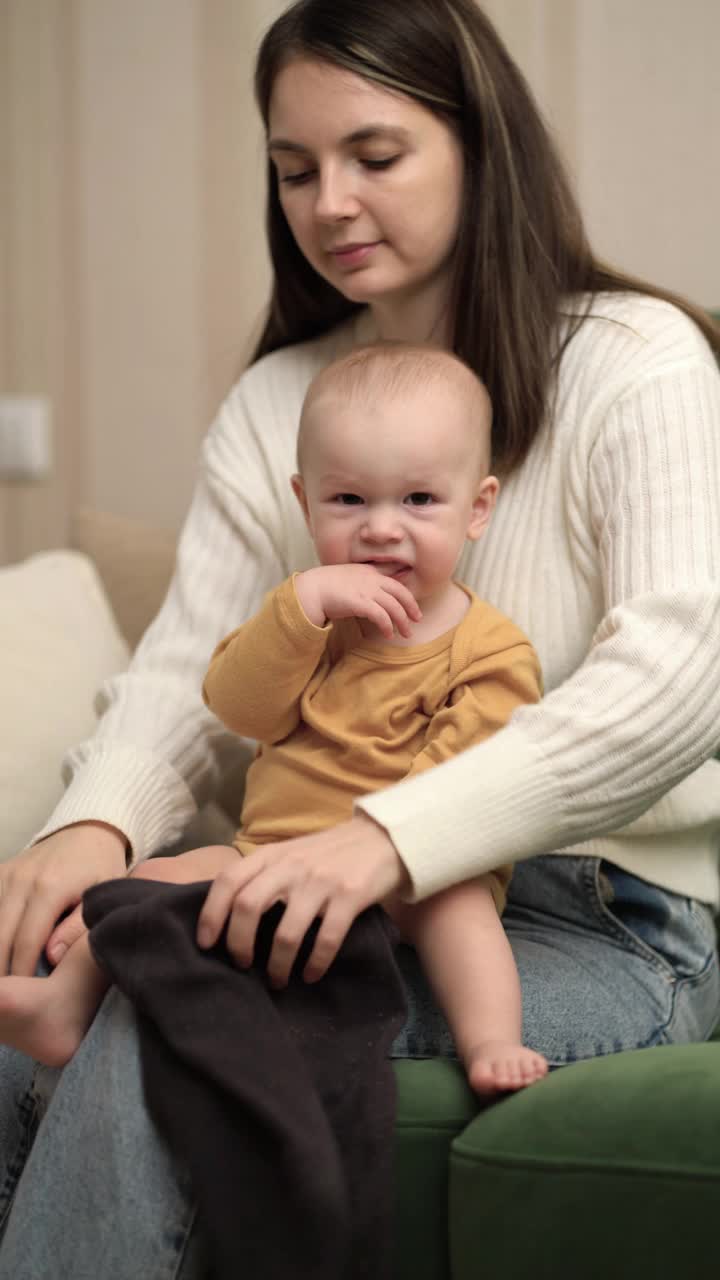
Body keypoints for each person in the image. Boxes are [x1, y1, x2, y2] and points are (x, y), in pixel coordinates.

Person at [0, 0, 718, 1274]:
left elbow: (675, 681)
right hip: (322, 864)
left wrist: (389, 837)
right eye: (293, 169)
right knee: (34, 985)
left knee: (166, 1007)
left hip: (611, 915)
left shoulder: (637, 362)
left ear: (478, 148)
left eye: (374, 156)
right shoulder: (281, 398)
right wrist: (89, 827)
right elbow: (187, 672)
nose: (328, 202)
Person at [0, 343, 547, 1096]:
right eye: (350, 501)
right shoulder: (304, 620)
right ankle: (65, 1003)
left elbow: (467, 780)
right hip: (263, 856)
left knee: (464, 917)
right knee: (154, 879)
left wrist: (386, 852)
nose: (382, 529)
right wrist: (302, 612)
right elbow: (235, 705)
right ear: (304, 501)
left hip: (415, 873)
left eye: (419, 501)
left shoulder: (489, 649)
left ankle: (489, 1041)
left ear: (477, 508)